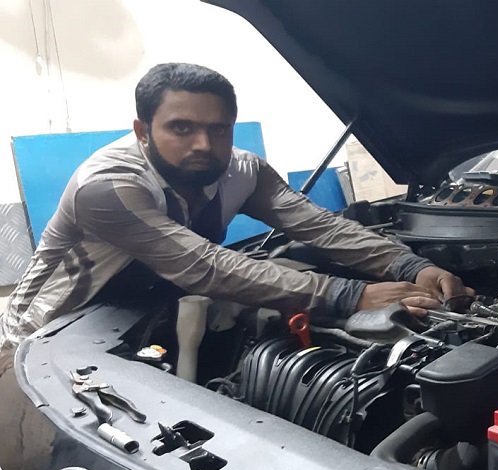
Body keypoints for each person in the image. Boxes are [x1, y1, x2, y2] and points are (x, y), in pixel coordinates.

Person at [0, 62, 472, 353]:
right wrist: (350, 296)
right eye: (181, 128)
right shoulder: (109, 187)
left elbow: (320, 227)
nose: (204, 145)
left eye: (219, 129)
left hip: (148, 309)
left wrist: (408, 264)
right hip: (49, 335)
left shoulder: (244, 170)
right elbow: (203, 266)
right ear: (142, 131)